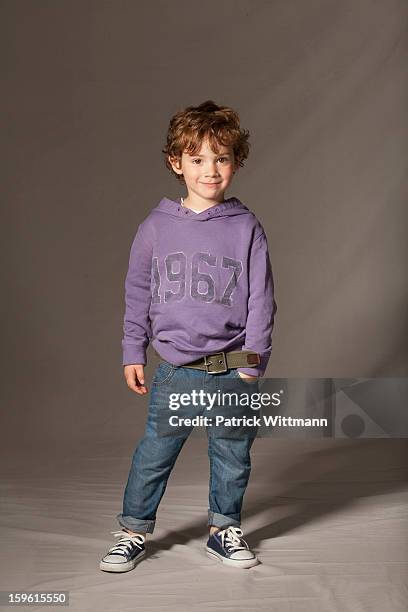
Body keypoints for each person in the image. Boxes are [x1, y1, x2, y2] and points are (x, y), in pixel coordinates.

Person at [99, 100, 277, 572]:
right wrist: (131, 350)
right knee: (154, 456)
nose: (210, 170)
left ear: (236, 162)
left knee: (233, 455)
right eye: (198, 159)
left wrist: (252, 361)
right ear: (177, 163)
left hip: (230, 368)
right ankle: (132, 531)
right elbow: (138, 293)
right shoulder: (156, 227)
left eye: (221, 158)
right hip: (175, 371)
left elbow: (261, 300)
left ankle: (224, 530)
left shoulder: (246, 227)